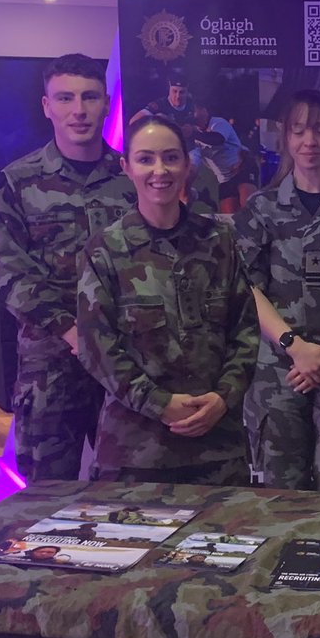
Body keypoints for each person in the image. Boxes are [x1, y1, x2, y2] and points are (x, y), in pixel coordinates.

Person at [78, 114, 258, 485]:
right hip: (136, 454)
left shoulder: (218, 241)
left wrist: (224, 397)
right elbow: (98, 349)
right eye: (146, 159)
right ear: (126, 167)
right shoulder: (106, 250)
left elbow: (246, 332)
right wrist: (160, 404)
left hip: (219, 449)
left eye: (171, 157)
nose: (159, 170)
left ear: (187, 163)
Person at [0, 53, 135, 481]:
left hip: (125, 364)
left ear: (106, 103)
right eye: (65, 98)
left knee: (129, 498)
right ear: (46, 105)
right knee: (48, 501)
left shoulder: (133, 178)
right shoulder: (16, 183)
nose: (79, 110)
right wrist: (71, 328)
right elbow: (7, 271)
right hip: (51, 368)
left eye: (89, 97)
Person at [234, 89, 320, 493]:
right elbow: (247, 286)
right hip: (280, 369)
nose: (310, 142)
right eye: (299, 131)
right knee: (280, 490)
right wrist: (296, 346)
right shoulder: (262, 207)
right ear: (285, 138)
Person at [188, 101, 254, 214]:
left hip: (242, 166)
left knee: (248, 209)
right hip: (225, 178)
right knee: (229, 218)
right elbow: (194, 158)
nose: (194, 114)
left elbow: (217, 139)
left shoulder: (218, 123)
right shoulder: (193, 138)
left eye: (196, 109)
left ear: (204, 110)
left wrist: (193, 134)